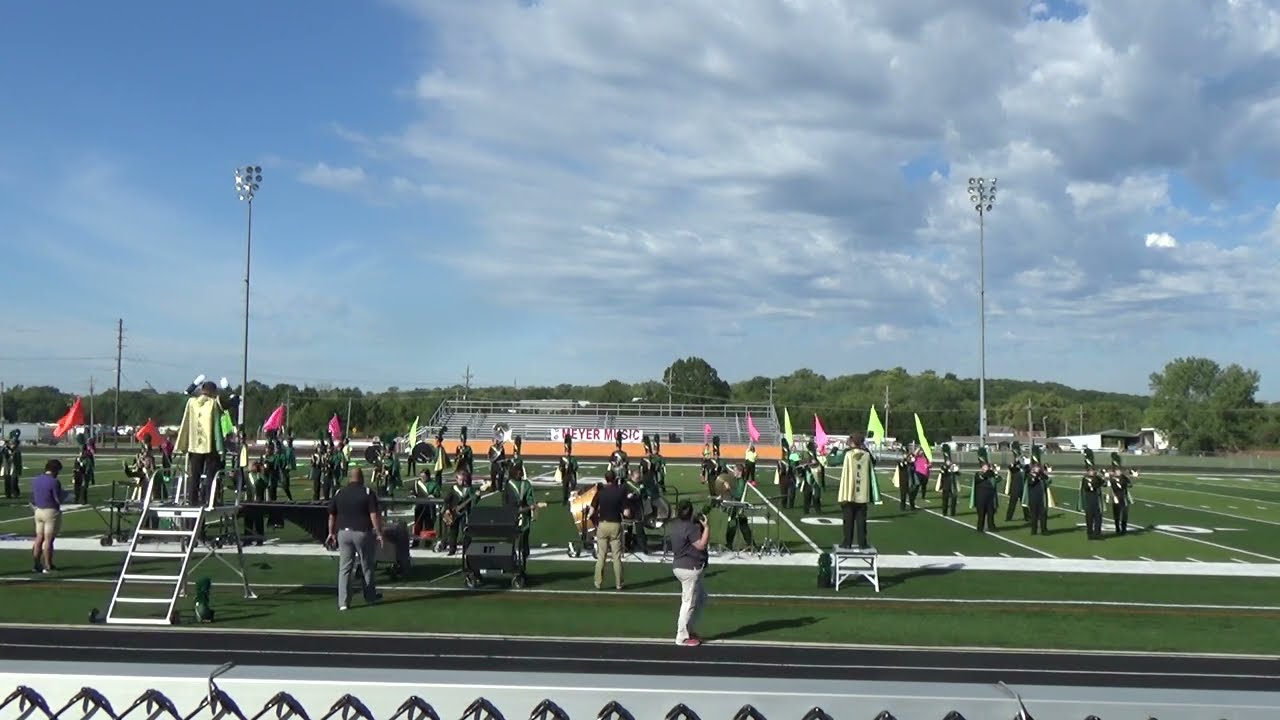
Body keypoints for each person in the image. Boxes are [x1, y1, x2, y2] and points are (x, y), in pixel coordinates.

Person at [325, 467, 383, 610]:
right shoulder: (367, 492)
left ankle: (343, 602)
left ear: (349, 478)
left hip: (343, 533)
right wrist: (378, 531)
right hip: (362, 532)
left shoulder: (340, 493)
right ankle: (370, 597)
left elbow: (332, 515)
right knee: (366, 566)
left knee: (344, 568)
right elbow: (373, 514)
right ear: (361, 477)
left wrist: (331, 533)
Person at [174, 380, 226, 506]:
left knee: (194, 476)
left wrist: (192, 385)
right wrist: (220, 448)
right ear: (213, 392)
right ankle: (211, 499)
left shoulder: (192, 403)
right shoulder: (213, 404)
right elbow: (217, 426)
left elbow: (185, 417)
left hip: (194, 445)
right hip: (210, 446)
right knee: (211, 475)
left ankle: (193, 500)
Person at [669, 499, 709, 647]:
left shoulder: (676, 525)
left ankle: (689, 629)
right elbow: (701, 545)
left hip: (679, 566)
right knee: (688, 603)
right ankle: (682, 636)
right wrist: (706, 528)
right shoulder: (690, 528)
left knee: (701, 598)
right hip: (689, 568)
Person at [590, 469, 629, 590]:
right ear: (615, 478)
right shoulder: (619, 492)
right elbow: (626, 512)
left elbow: (591, 511)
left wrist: (595, 521)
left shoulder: (600, 492)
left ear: (606, 479)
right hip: (615, 524)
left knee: (601, 556)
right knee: (616, 557)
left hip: (603, 524)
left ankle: (598, 582)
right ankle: (619, 583)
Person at [838, 432, 877, 549]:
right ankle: (862, 543)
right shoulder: (866, 455)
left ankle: (847, 542)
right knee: (861, 521)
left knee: (848, 520)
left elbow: (834, 460)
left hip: (849, 492)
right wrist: (865, 448)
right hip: (862, 493)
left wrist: (837, 448)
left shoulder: (847, 454)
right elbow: (874, 463)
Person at [31, 459, 66, 574]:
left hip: (38, 510)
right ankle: (48, 565)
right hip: (51, 511)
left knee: (38, 538)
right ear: (55, 470)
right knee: (49, 540)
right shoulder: (54, 481)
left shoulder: (36, 480)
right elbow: (58, 499)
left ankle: (36, 564)